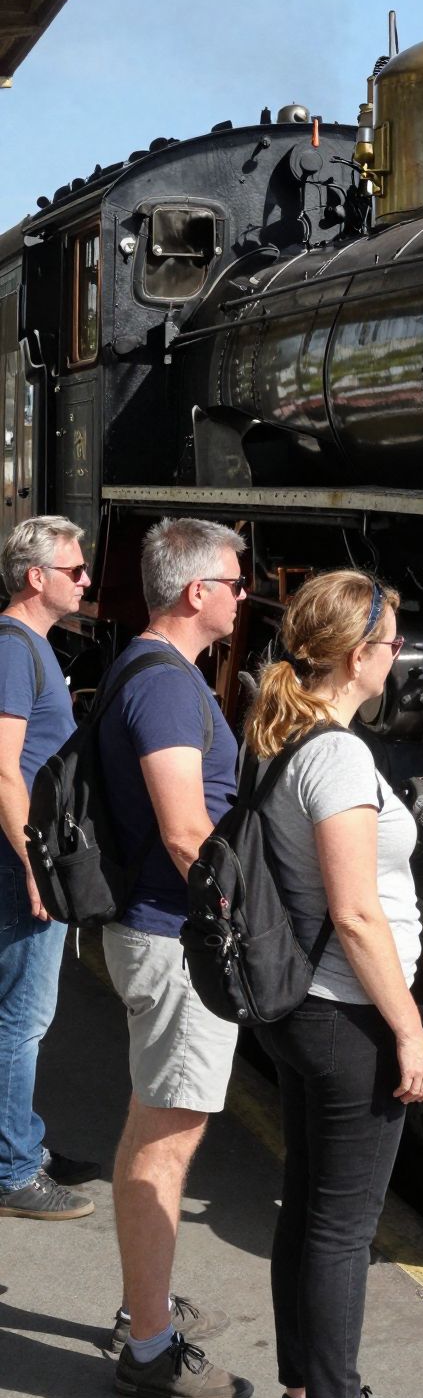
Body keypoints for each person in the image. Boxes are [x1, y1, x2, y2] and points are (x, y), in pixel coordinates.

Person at [247, 569, 423, 1398]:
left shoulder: (298, 740)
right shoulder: (338, 757)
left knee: (312, 1213)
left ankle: (304, 1397)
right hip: (348, 1017)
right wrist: (408, 1030)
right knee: (341, 1226)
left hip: (311, 1014)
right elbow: (358, 914)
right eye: (394, 643)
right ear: (360, 656)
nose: (399, 656)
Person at [101, 516, 251, 1398]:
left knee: (150, 1124)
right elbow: (186, 830)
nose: (243, 595)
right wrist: (250, 916)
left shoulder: (152, 669)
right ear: (198, 593)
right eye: (235, 583)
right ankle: (150, 1347)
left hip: (154, 932)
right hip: (172, 939)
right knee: (166, 1137)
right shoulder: (165, 688)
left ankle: (143, 1304)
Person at [0, 515, 101, 1220]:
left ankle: (21, 1145)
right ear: (37, 578)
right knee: (22, 1019)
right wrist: (35, 865)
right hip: (17, 865)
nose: (88, 580)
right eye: (76, 570)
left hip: (21, 859)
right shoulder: (14, 651)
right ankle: (11, 1170)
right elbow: (3, 772)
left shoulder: (31, 648)